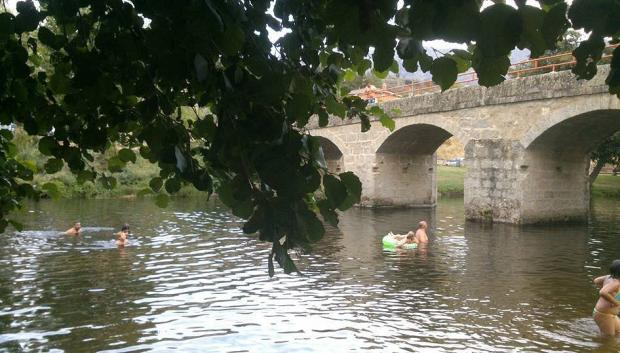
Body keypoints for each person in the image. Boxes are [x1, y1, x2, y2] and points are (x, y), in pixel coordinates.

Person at [593, 260, 620, 336]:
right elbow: (603, 292)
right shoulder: (616, 283)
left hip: (609, 314)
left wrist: (607, 287)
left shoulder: (608, 277)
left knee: (618, 333)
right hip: (604, 314)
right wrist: (615, 302)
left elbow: (596, 281)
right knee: (609, 338)